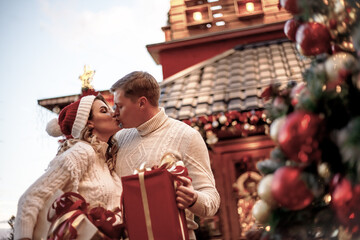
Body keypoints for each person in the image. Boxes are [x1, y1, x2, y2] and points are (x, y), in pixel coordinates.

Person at [111, 71, 220, 239]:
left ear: (141, 103)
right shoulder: (118, 139)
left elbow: (212, 201)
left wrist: (193, 199)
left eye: (120, 106)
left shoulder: (186, 136)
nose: (114, 113)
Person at [14, 94, 123, 240]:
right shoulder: (82, 152)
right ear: (89, 123)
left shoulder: (107, 163)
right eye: (104, 111)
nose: (113, 113)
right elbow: (29, 199)